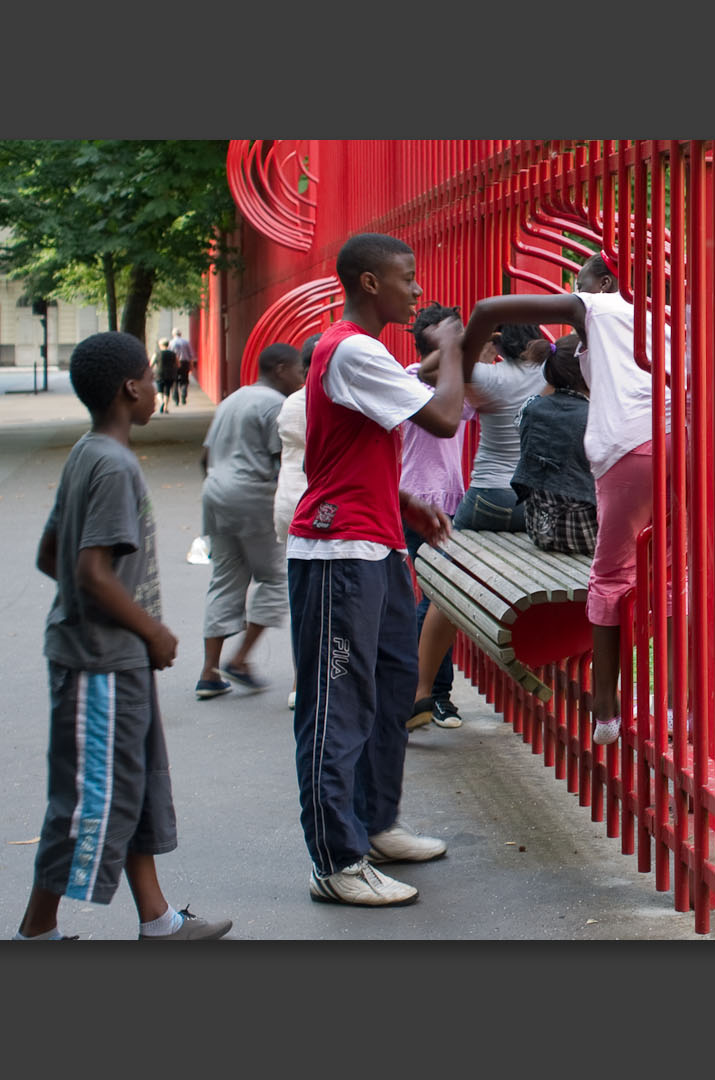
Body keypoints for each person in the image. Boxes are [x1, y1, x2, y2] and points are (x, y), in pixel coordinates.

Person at [13, 330, 232, 941]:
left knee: (131, 786)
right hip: (100, 664)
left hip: (111, 659)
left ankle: (159, 922)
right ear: (130, 388)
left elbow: (50, 554)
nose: (158, 384)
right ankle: (36, 932)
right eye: (151, 375)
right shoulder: (112, 464)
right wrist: (153, 631)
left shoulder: (88, 452)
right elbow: (88, 571)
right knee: (89, 802)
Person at [287, 232, 472, 907]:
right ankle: (337, 861)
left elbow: (340, 454)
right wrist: (452, 348)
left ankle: (374, 823)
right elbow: (447, 417)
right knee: (338, 705)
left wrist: (406, 504)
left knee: (392, 690)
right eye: (406, 278)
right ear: (369, 283)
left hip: (377, 547)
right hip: (338, 561)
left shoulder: (362, 355)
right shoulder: (352, 348)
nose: (417, 290)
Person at [452, 252, 673, 747]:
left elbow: (488, 308)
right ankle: (674, 703)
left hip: (629, 447)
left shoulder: (597, 307)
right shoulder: (665, 315)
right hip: (682, 440)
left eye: (581, 284)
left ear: (608, 281)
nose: (577, 292)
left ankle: (606, 710)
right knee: (673, 571)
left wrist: (458, 371)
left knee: (612, 575)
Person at [194, 342, 306, 700]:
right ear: (280, 369)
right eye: (298, 371)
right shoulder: (276, 405)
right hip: (254, 496)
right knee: (275, 578)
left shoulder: (232, 400)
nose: (303, 378)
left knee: (225, 577)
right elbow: (285, 462)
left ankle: (209, 672)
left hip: (215, 493)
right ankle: (240, 660)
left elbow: (205, 456)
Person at [401, 305, 473, 732]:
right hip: (420, 501)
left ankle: (428, 694)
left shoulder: (454, 384)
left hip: (448, 498)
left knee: (436, 597)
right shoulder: (409, 380)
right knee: (436, 597)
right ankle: (427, 694)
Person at [451, 323, 550, 531]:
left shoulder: (485, 374)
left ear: (498, 343)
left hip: (489, 490)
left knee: (450, 544)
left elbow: (440, 366)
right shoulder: (550, 373)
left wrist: (479, 344)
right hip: (533, 497)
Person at [511, 334, 598, 555]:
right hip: (587, 535)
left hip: (539, 530)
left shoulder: (531, 407)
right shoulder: (595, 416)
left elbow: (519, 421)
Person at [273, 331, 321, 713]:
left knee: (300, 598)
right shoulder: (326, 401)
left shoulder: (291, 402)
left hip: (288, 501)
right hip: (317, 505)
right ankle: (309, 679)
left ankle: (298, 679)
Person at [171, 328, 196, 405]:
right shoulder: (186, 342)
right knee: (184, 380)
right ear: (180, 334)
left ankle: (176, 400)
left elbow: (170, 355)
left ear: (173, 334)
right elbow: (191, 355)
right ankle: (183, 396)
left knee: (174, 381)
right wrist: (191, 366)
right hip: (185, 363)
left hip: (174, 364)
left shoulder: (171, 343)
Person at [154, 340, 178, 414]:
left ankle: (162, 403)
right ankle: (165, 408)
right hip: (170, 374)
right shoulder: (173, 354)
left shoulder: (157, 353)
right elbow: (178, 364)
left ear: (160, 345)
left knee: (159, 391)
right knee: (167, 391)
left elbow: (151, 364)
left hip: (159, 374)